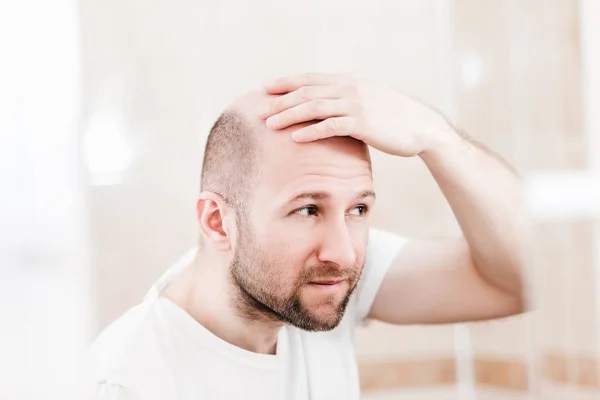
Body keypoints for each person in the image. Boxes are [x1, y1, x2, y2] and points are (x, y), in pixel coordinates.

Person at [83, 73, 527, 400]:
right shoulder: (131, 381)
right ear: (218, 223)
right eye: (307, 209)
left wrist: (437, 137)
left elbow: (522, 279)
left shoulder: (318, 280)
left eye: (358, 208)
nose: (344, 252)